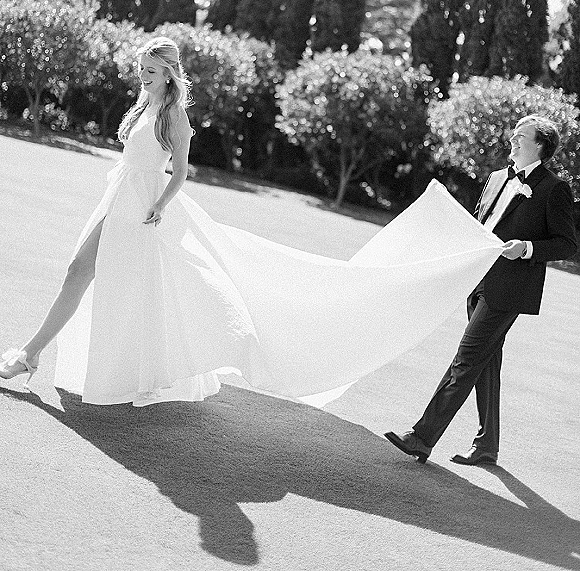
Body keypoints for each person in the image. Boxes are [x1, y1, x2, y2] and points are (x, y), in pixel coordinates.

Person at [0, 36, 506, 407]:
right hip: (119, 198)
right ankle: (36, 354)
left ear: (170, 74)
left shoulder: (174, 116)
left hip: (146, 209)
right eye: (141, 72)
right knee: (83, 271)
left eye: (150, 73)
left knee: (126, 283)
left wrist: (161, 204)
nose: (143, 79)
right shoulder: (142, 104)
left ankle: (43, 356)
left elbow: (181, 172)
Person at [384, 115, 577, 465]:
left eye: (522, 137)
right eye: (514, 135)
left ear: (542, 146)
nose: (514, 141)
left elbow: (567, 244)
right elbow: (479, 226)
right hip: (478, 281)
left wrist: (528, 248)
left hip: (510, 290)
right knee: (486, 363)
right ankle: (487, 445)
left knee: (467, 358)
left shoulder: (553, 188)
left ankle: (422, 438)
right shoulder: (496, 178)